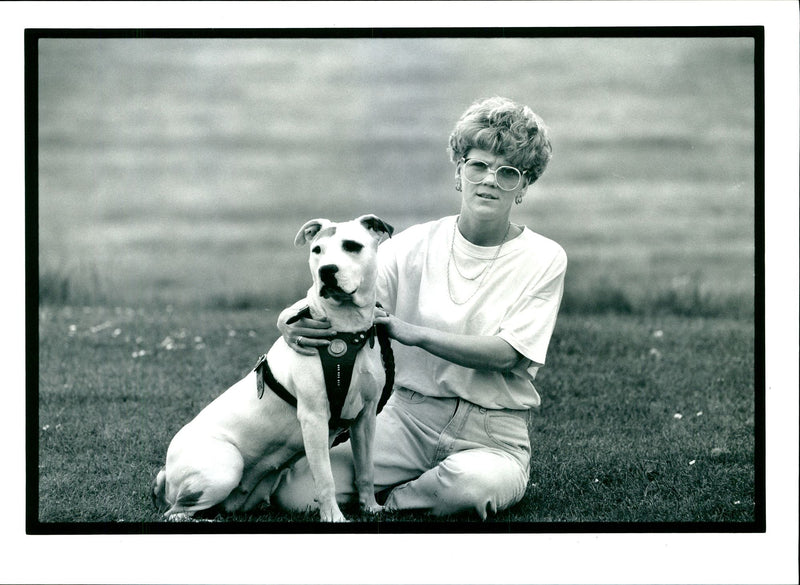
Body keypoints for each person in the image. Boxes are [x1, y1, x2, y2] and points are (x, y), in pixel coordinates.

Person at [272, 96, 567, 520]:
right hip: (407, 417)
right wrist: (288, 322)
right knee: (296, 493)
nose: (489, 181)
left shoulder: (544, 257)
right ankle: (406, 489)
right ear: (458, 171)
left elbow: (510, 354)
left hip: (493, 432)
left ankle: (391, 500)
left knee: (471, 488)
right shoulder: (410, 245)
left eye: (508, 173)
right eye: (478, 165)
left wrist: (414, 333)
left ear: (524, 187)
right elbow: (350, 297)